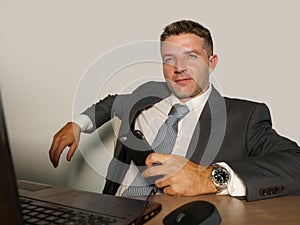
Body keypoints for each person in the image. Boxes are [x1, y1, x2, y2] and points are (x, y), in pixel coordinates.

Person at [49, 20, 300, 202]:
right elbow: (111, 103)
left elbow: (294, 163)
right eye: (169, 58)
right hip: (112, 211)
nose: (178, 68)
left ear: (211, 63)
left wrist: (209, 177)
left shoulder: (244, 117)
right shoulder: (144, 98)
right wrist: (78, 124)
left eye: (191, 57)